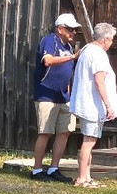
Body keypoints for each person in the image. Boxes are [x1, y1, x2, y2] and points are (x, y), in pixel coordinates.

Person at [31, 13, 81, 183]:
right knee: (45, 132)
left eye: (75, 30)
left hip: (63, 96)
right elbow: (48, 61)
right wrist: (72, 57)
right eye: (70, 29)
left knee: (64, 131)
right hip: (46, 95)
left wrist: (68, 90)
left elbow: (68, 72)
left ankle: (53, 169)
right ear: (60, 29)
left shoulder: (67, 46)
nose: (73, 32)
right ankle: (37, 170)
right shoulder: (50, 41)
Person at [68, 22, 117, 188]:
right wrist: (108, 105)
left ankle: (87, 177)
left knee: (89, 140)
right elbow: (99, 81)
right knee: (88, 142)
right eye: (111, 39)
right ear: (104, 39)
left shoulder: (86, 50)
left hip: (86, 103)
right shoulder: (98, 54)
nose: (111, 43)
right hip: (92, 105)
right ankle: (82, 178)